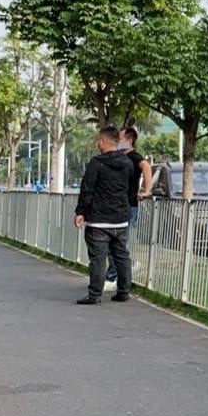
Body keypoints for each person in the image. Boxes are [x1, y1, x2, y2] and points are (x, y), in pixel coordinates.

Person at [73, 127, 136, 304]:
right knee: (122, 256)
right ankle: (124, 291)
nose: (97, 144)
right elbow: (131, 189)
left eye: (98, 141)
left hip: (98, 221)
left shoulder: (96, 163)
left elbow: (87, 189)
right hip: (120, 219)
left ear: (103, 141)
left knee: (98, 259)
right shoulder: (127, 163)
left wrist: (80, 212)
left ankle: (95, 294)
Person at [105, 124, 152, 286]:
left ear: (129, 140)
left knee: (118, 242)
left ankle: (113, 276)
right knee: (111, 241)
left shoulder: (134, 157)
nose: (118, 141)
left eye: (120, 139)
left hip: (128, 205)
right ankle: (121, 271)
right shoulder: (117, 156)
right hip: (115, 205)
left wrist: (146, 190)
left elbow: (146, 166)